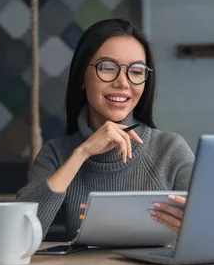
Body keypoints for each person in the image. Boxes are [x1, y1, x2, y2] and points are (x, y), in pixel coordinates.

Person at [16, 18, 194, 240]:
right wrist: (82, 153)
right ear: (82, 76)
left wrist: (197, 225)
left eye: (136, 71)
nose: (123, 82)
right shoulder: (56, 154)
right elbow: (17, 235)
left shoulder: (170, 150)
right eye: (108, 68)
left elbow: (212, 228)